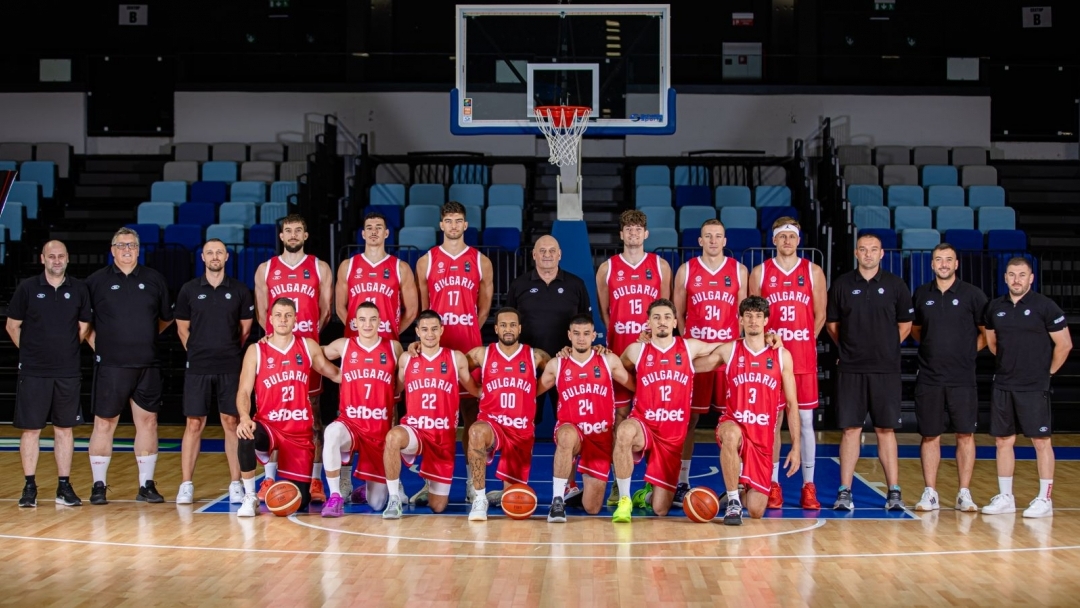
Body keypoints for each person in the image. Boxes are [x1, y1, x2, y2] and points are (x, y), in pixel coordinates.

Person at [611, 298, 756, 522]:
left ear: (675, 322)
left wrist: (760, 338)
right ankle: (624, 499)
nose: (662, 322)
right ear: (648, 322)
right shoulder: (636, 349)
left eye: (667, 317)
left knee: (660, 509)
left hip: (672, 436)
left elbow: (724, 346)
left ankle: (646, 495)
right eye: (656, 317)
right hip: (644, 424)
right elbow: (617, 367)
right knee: (625, 431)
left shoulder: (689, 347)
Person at [84, 227, 174, 504]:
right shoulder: (95, 282)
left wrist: (143, 336)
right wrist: (102, 347)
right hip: (111, 366)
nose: (126, 249)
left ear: (138, 249)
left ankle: (146, 484)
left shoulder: (154, 279)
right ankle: (98, 485)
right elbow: (84, 324)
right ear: (112, 250)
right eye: (121, 245)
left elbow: (166, 318)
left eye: (132, 245)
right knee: (104, 423)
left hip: (146, 365)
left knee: (148, 422)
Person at [826, 232, 914, 511]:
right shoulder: (841, 285)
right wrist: (851, 348)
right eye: (863, 249)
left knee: (885, 429)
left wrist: (885, 347)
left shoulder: (895, 285)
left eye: (873, 249)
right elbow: (832, 325)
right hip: (851, 368)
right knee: (851, 429)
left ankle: (894, 492)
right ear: (856, 253)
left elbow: (905, 325)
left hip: (885, 369)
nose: (868, 254)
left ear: (882, 253)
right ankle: (844, 491)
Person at [415, 201, 493, 505]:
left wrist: (470, 325)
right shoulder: (427, 261)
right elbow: (425, 308)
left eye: (458, 221)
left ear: (465, 225)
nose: (453, 226)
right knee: (431, 417)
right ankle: (432, 482)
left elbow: (485, 305)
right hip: (436, 347)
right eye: (448, 221)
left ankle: (474, 483)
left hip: (468, 345)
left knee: (471, 417)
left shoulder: (480, 260)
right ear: (441, 225)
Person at [234, 298, 342, 517]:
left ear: (295, 319)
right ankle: (250, 496)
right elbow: (244, 391)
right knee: (246, 434)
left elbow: (334, 373)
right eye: (278, 315)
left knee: (299, 502)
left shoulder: (308, 346)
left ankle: (298, 485)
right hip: (269, 425)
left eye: (288, 315)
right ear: (270, 319)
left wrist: (364, 364)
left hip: (299, 433)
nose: (283, 320)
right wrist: (245, 417)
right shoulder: (256, 350)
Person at [982, 257, 1072, 518]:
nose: (1016, 280)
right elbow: (993, 343)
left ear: (1031, 278)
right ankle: (1006, 497)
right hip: (1004, 383)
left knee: (1041, 441)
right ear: (1006, 278)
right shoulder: (995, 307)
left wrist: (1048, 373)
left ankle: (1045, 499)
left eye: (1022, 275)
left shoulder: (1045, 306)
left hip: (1034, 385)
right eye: (1012, 275)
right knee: (1003, 441)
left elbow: (1064, 344)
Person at [748, 217, 827, 510]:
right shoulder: (759, 273)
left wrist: (804, 342)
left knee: (805, 422)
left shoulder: (813, 271)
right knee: (772, 424)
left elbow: (820, 315)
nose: (786, 241)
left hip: (801, 360)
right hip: (769, 361)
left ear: (798, 240)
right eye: (781, 236)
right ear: (774, 240)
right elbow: (752, 315)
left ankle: (809, 485)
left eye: (791, 236)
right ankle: (772, 483)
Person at [253, 214, 333, 503]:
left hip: (306, 352)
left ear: (306, 235)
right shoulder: (266, 269)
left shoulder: (320, 267)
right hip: (275, 352)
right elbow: (263, 313)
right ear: (282, 236)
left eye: (299, 230)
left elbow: (325, 311)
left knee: (312, 416)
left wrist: (306, 342)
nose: (293, 235)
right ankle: (270, 477)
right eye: (288, 231)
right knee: (272, 414)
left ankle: (314, 479)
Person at [5, 240, 91, 508]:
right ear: (42, 258)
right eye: (51, 256)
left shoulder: (78, 289)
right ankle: (29, 486)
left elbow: (84, 326)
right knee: (31, 430)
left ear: (68, 259)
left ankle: (63, 486)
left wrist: (63, 350)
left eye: (61, 256)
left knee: (65, 429)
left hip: (67, 371)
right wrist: (32, 352)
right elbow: (12, 325)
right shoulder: (28, 288)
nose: (56, 260)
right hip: (34, 372)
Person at [596, 209, 671, 506]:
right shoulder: (608, 268)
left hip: (654, 357)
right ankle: (620, 482)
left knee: (657, 418)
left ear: (646, 234)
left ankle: (654, 483)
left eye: (638, 229)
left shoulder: (660, 266)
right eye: (628, 229)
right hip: (621, 356)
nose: (633, 233)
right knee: (620, 420)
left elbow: (667, 308)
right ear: (621, 234)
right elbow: (605, 313)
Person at [704, 295, 801, 525]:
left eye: (758, 316)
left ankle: (738, 488)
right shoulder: (729, 350)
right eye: (748, 316)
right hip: (734, 423)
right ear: (740, 320)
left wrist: (796, 446)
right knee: (729, 434)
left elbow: (791, 404)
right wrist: (661, 351)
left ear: (766, 320)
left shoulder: (781, 355)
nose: (753, 321)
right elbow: (695, 364)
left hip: (762, 438)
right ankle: (734, 500)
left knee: (757, 510)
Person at [173, 239, 255, 505]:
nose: (215, 256)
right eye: (210, 252)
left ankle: (235, 484)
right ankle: (186, 484)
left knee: (231, 423)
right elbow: (182, 329)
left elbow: (244, 330)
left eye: (219, 252)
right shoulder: (188, 290)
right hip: (198, 366)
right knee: (194, 424)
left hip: (229, 365)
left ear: (227, 257)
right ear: (203, 257)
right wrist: (197, 351)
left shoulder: (240, 290)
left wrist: (226, 351)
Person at [672, 219, 746, 507]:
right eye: (707, 236)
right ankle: (681, 481)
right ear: (700, 240)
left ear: (725, 240)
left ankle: (737, 484)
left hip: (727, 357)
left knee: (737, 422)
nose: (713, 241)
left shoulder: (739, 270)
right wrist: (691, 341)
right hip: (698, 358)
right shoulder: (686, 270)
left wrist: (731, 346)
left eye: (718, 236)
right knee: (688, 420)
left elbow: (743, 313)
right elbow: (678, 312)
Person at [910, 243, 988, 512]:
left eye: (948, 260)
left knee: (965, 434)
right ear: (932, 264)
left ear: (956, 264)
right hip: (930, 376)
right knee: (930, 435)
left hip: (962, 378)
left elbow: (986, 333)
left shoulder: (973, 295)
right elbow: (916, 330)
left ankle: (963, 493)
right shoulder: (921, 294)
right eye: (938, 259)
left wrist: (966, 352)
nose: (943, 264)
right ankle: (930, 492)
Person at [382, 310, 480, 518]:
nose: (429, 334)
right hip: (416, 431)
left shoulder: (455, 358)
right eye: (424, 329)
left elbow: (474, 390)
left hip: (442, 438)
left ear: (442, 330)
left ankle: (430, 485)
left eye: (434, 329)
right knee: (393, 437)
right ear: (417, 331)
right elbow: (396, 389)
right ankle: (394, 499)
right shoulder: (407, 359)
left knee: (438, 507)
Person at [538, 314, 635, 522]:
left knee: (592, 508)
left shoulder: (608, 360)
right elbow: (531, 392)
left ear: (594, 336)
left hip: (600, 436)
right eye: (576, 333)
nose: (581, 338)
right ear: (569, 335)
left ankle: (580, 491)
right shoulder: (558, 364)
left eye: (585, 334)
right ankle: (557, 500)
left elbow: (634, 386)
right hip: (572, 430)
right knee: (565, 435)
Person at [461, 308, 551, 521]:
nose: (508, 329)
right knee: (475, 432)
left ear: (519, 328)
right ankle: (479, 498)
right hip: (492, 424)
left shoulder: (535, 355)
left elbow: (558, 371)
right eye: (503, 325)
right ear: (496, 328)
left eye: (512, 325)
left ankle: (501, 491)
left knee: (512, 500)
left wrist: (529, 392)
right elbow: (457, 366)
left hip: (520, 430)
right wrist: (477, 391)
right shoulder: (482, 354)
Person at [318, 301, 404, 517]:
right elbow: (315, 352)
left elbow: (406, 371)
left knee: (376, 504)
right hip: (351, 423)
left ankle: (366, 489)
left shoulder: (393, 347)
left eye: (373, 319)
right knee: (331, 432)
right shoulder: (344, 345)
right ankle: (335, 495)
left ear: (380, 322)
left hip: (378, 430)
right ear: (354, 323)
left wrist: (414, 347)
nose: (368, 324)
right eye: (363, 319)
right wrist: (283, 342)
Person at [505, 235, 591, 426]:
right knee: (525, 420)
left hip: (567, 362)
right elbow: (509, 323)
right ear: (534, 254)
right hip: (529, 364)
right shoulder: (519, 285)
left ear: (559, 254)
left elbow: (586, 324)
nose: (547, 255)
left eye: (552, 251)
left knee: (571, 421)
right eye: (542, 251)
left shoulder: (575, 285)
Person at [335, 211, 419, 341]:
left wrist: (393, 333)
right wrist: (357, 329)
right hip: (355, 341)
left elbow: (412, 311)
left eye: (379, 228)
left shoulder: (401, 267)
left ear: (386, 233)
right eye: (369, 228)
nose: (373, 232)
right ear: (363, 234)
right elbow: (339, 307)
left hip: (387, 340)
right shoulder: (347, 266)